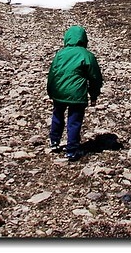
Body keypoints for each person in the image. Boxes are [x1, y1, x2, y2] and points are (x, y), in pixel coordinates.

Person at [47, 25, 103, 161]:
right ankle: (71, 150)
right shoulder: (87, 55)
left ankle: (54, 141)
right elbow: (95, 77)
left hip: (59, 92)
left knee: (58, 115)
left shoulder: (60, 54)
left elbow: (52, 74)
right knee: (74, 121)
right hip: (77, 93)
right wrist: (94, 94)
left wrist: (51, 91)